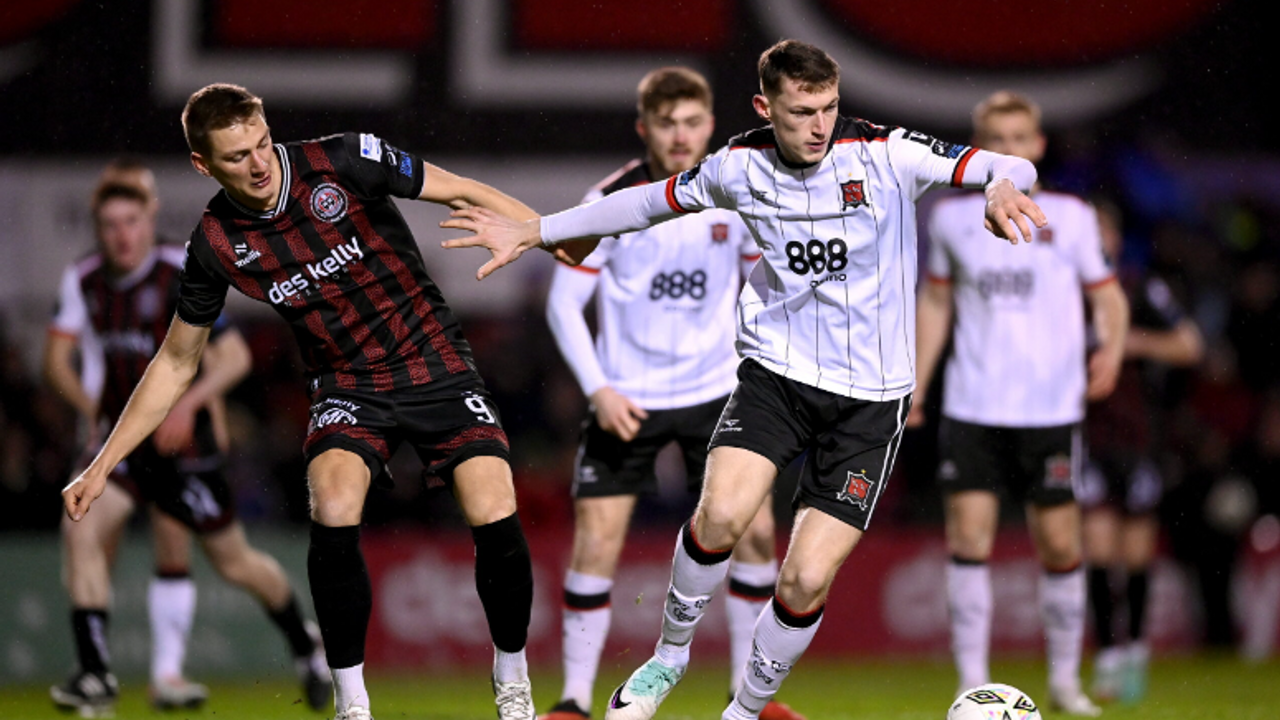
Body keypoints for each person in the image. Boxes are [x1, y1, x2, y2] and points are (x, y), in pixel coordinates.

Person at [441, 40, 1046, 720]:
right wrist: (535, 230)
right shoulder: (737, 168)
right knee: (723, 516)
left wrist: (999, 183)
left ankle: (744, 709)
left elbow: (1011, 163)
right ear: (765, 106)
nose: (819, 125)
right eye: (801, 111)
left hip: (871, 404)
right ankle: (669, 656)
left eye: (829, 108)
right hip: (778, 378)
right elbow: (642, 204)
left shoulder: (886, 153)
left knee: (806, 578)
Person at [60, 83, 591, 720]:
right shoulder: (215, 244)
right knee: (334, 504)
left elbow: (457, 186)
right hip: (346, 383)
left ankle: (512, 682)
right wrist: (102, 465)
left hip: (433, 360)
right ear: (203, 164)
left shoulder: (342, 159)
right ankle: (352, 703)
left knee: (495, 505)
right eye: (236, 157)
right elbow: (176, 360)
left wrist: (543, 232)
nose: (259, 164)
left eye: (261, 143)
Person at [540, 67, 802, 720]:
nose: (680, 136)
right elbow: (563, 304)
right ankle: (573, 701)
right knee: (596, 544)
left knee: (755, 535)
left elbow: (764, 287)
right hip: (626, 398)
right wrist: (598, 389)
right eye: (667, 123)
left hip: (717, 394)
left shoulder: (733, 195)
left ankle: (752, 698)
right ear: (644, 128)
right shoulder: (611, 200)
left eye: (691, 122)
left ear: (710, 125)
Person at [44, 175, 331, 717]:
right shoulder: (85, 280)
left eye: (131, 222)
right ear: (97, 230)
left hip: (186, 449)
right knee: (79, 524)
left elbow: (234, 357)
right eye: (110, 225)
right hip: (126, 446)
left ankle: (304, 641)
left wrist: (190, 403)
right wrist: (93, 417)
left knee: (234, 562)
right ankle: (96, 673)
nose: (122, 236)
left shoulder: (179, 270)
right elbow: (57, 361)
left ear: (149, 222)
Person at [910, 91, 1130, 716]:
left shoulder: (1073, 216)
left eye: (1019, 137)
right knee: (968, 540)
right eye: (996, 139)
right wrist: (920, 387)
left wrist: (1111, 349)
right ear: (980, 150)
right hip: (974, 405)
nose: (1009, 148)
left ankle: (1064, 680)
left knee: (1061, 546)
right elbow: (937, 304)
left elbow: (1107, 296)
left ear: (1037, 146)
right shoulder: (952, 219)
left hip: (1051, 409)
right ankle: (971, 682)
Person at [1079, 202, 1203, 703]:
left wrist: (1132, 343)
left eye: (1101, 231)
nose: (1095, 241)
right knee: (1098, 548)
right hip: (1087, 436)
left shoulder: (1139, 287)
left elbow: (1190, 345)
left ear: (1114, 237)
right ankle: (1108, 655)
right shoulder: (1062, 294)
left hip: (1139, 437)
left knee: (1134, 555)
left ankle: (1136, 651)